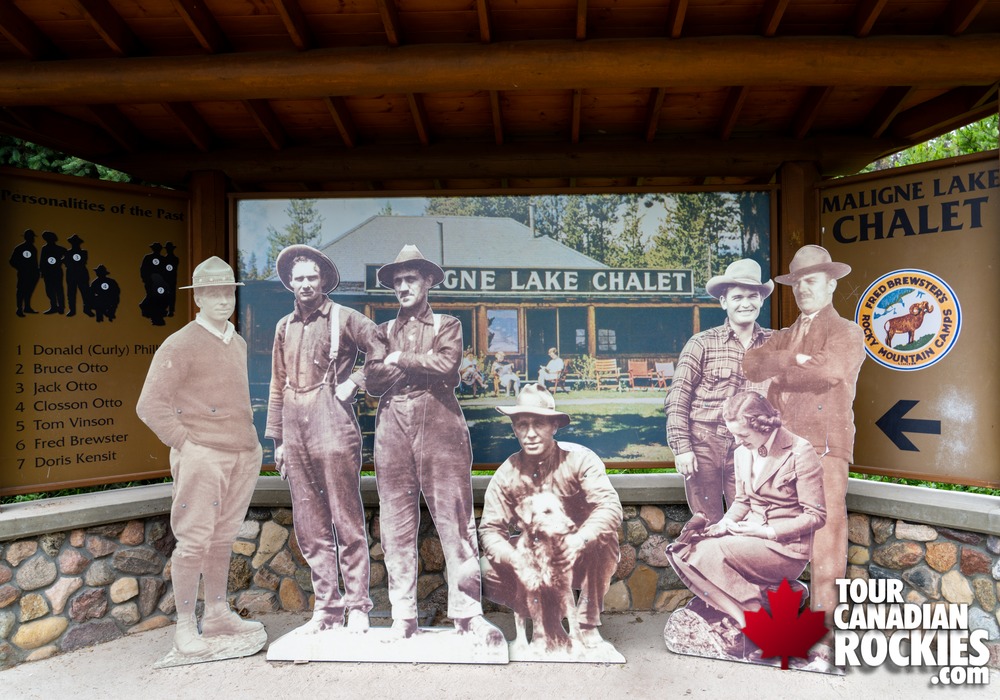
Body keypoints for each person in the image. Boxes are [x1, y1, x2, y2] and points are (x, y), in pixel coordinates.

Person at [364, 244, 502, 644]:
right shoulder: (382, 330)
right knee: (395, 523)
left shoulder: (448, 324)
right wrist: (396, 364)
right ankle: (402, 617)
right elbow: (372, 380)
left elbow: (446, 365)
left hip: (439, 423)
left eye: (411, 279)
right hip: (392, 425)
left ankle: (467, 614)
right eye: (398, 281)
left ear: (427, 281)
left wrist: (399, 360)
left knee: (454, 519)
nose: (403, 287)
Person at [136, 256, 264, 657]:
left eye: (227, 291)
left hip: (242, 452)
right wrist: (185, 444)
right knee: (194, 541)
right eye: (213, 292)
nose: (222, 299)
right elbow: (149, 404)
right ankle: (185, 628)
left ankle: (217, 614)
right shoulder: (180, 343)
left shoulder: (237, 340)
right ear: (198, 299)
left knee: (222, 538)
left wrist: (253, 445)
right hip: (203, 454)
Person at [742, 244, 865, 623]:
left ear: (830, 284)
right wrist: (792, 359)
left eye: (811, 281)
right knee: (777, 529)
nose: (803, 290)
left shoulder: (847, 332)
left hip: (824, 448)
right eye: (797, 284)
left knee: (825, 534)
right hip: (780, 449)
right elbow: (750, 364)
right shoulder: (784, 336)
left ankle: (823, 626)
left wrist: (779, 369)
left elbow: (828, 372)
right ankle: (782, 620)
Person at [265, 245, 376, 633]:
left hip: (333, 423)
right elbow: (277, 383)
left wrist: (356, 381)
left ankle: (359, 605)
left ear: (323, 280)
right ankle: (327, 609)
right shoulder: (284, 326)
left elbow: (382, 349)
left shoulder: (344, 318)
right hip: (294, 429)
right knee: (310, 525)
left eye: (313, 277)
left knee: (346, 519)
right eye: (299, 278)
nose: (306, 284)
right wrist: (277, 440)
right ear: (290, 283)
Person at [665, 392, 826, 649]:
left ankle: (754, 620)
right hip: (748, 538)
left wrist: (767, 532)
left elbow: (816, 516)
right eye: (734, 435)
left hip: (784, 549)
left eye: (743, 435)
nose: (737, 441)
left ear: (762, 425)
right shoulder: (742, 453)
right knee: (682, 550)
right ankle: (752, 612)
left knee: (706, 553)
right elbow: (742, 502)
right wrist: (724, 525)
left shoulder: (799, 451)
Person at [479, 384, 623, 650]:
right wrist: (514, 558)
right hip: (532, 559)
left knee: (605, 540)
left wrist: (579, 540)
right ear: (514, 428)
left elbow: (610, 507)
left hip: (575, 557)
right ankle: (544, 622)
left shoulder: (580, 461)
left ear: (554, 426)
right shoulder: (506, 473)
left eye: (539, 424)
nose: (530, 434)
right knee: (484, 570)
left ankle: (588, 626)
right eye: (522, 425)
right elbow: (490, 529)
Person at [665, 259, 773, 525]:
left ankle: (741, 567)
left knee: (749, 520)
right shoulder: (701, 343)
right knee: (706, 521)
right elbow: (677, 400)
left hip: (750, 446)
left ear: (761, 301)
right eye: (737, 297)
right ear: (724, 302)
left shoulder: (775, 345)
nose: (745, 304)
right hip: (705, 443)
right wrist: (682, 449)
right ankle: (709, 567)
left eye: (752, 296)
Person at [9, 228, 40, 317]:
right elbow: (12, 261)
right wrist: (21, 268)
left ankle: (27, 307)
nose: (33, 239)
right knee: (21, 291)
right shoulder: (19, 248)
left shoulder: (33, 249)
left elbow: (34, 262)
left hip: (32, 274)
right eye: (31, 237)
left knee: (28, 291)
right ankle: (19, 309)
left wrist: (36, 271)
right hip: (24, 274)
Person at [63, 234, 93, 317]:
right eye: (73, 242)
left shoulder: (83, 252)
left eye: (76, 243)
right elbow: (66, 262)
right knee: (71, 293)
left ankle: (87, 309)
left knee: (85, 292)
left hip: (81, 275)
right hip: (72, 275)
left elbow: (82, 261)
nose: (75, 244)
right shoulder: (67, 253)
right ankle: (72, 310)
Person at [39, 230, 66, 315]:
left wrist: (61, 261)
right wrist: (42, 271)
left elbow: (67, 254)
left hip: (56, 271)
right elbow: (42, 261)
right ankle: (54, 307)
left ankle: (61, 307)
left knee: (58, 289)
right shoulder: (45, 248)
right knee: (50, 290)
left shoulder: (59, 248)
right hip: (48, 272)